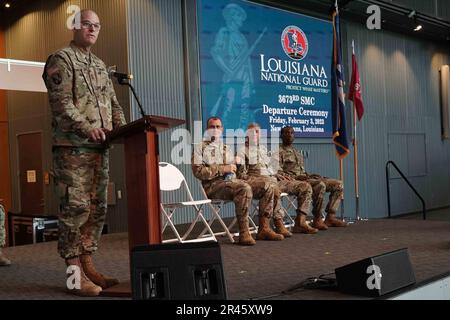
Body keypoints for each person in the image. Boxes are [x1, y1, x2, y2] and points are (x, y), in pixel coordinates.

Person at [42, 9, 127, 296]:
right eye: (87, 25)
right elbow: (62, 105)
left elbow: (114, 104)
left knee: (96, 210)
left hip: (99, 150)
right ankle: (72, 277)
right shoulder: (61, 60)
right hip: (72, 149)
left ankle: (87, 264)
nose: (92, 29)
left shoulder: (100, 65)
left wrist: (124, 129)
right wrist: (86, 127)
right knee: (74, 210)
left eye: (97, 26)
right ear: (75, 27)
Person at [238, 123, 317, 236]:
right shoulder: (242, 151)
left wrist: (278, 174)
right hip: (259, 185)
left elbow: (271, 169)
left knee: (305, 186)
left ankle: (300, 222)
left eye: (257, 132)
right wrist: (261, 179)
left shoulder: (263, 149)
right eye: (252, 132)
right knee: (273, 187)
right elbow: (242, 176)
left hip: (273, 180)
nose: (255, 134)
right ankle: (275, 224)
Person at [192, 117, 255, 246]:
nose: (215, 129)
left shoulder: (226, 148)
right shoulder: (200, 148)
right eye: (212, 127)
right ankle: (244, 232)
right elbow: (198, 172)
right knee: (244, 188)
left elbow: (233, 170)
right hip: (212, 187)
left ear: (222, 129)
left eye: (218, 126)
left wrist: (239, 163)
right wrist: (222, 169)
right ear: (207, 130)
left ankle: (266, 228)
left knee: (257, 185)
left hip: (230, 182)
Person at [275, 126, 347, 230]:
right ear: (281, 135)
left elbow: (302, 171)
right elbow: (278, 173)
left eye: (292, 133)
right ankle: (317, 218)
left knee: (338, 184)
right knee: (320, 185)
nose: (290, 135)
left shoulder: (297, 152)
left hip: (305, 178)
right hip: (293, 181)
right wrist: (296, 177)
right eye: (286, 133)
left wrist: (310, 175)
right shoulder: (278, 152)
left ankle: (330, 217)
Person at [210, 3, 256, 130]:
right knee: (229, 105)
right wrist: (227, 69)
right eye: (239, 16)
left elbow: (248, 61)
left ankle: (242, 130)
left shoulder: (242, 37)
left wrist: (251, 81)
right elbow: (215, 52)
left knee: (244, 105)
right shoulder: (224, 32)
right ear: (232, 16)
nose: (241, 19)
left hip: (244, 76)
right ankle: (223, 132)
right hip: (232, 75)